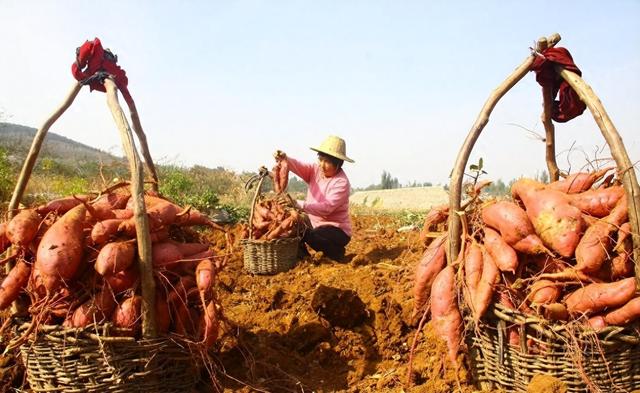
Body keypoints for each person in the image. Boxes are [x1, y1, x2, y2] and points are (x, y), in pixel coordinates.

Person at [274, 135, 354, 261]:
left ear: (338, 164)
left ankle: (336, 253)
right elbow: (298, 166)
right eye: (320, 159)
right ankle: (303, 256)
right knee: (293, 224)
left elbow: (327, 208)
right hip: (315, 224)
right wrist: (285, 159)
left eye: (327, 162)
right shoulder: (315, 170)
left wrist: (299, 204)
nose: (322, 165)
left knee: (309, 234)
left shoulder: (341, 182)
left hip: (337, 230)